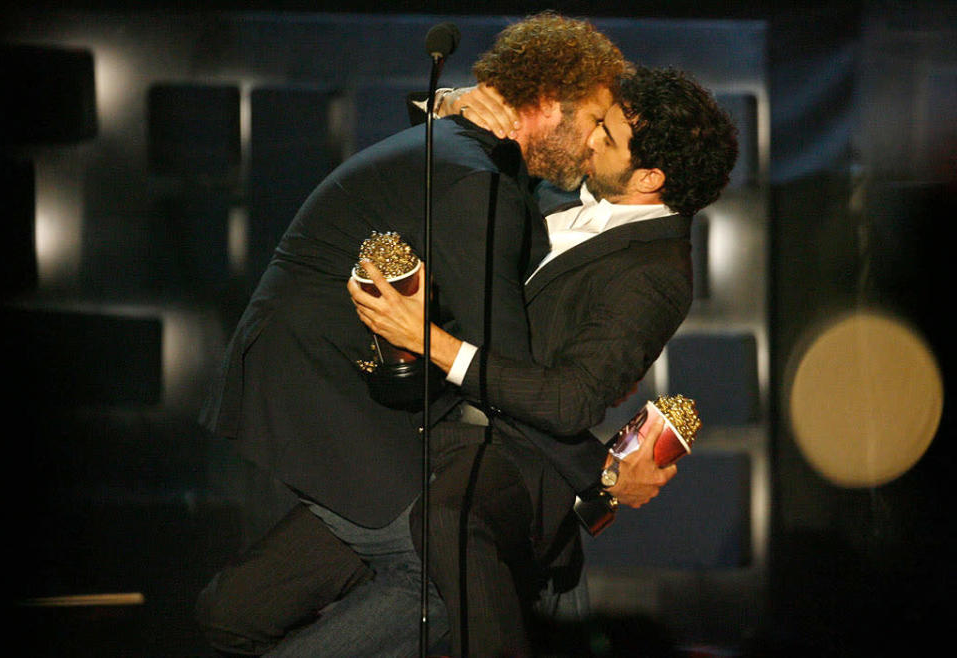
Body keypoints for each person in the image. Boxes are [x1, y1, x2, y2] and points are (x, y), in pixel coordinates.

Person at [194, 12, 628, 657]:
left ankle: (230, 615)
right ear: (543, 104)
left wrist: (446, 102)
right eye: (594, 120)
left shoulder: (473, 158)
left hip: (365, 402)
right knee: (442, 578)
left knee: (236, 612)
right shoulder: (473, 181)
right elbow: (499, 367)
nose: (595, 141)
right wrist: (605, 475)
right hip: (332, 394)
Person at [349, 65, 739, 657]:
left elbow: (567, 400)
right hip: (428, 440)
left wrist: (432, 342)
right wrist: (454, 104)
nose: (588, 138)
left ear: (650, 177)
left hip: (512, 474)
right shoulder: (561, 186)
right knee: (235, 612)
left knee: (446, 535)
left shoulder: (656, 275)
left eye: (606, 136)